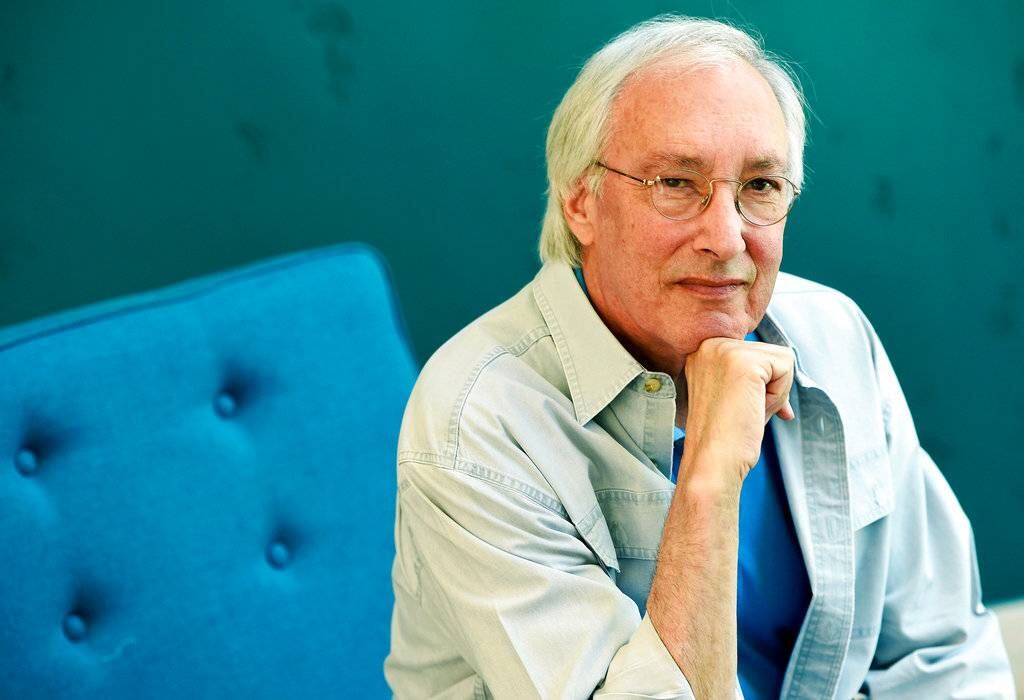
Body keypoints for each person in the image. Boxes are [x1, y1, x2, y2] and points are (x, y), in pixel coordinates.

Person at [384, 15, 1015, 700]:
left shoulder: (833, 334)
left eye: (760, 186)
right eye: (676, 184)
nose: (726, 237)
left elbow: (942, 651)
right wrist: (711, 478)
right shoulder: (478, 420)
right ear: (581, 204)